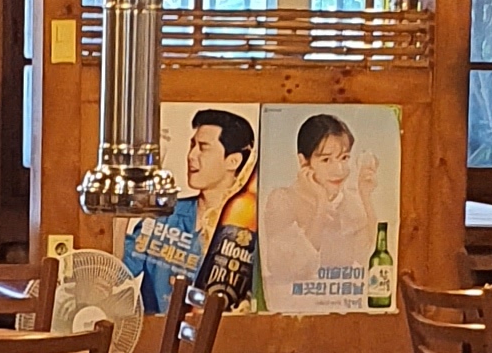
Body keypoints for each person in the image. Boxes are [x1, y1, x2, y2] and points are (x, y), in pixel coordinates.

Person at [120, 108, 256, 315]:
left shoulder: (249, 226)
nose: (191, 156)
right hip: (158, 333)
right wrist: (123, 208)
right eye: (192, 145)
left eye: (203, 148)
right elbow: (117, 274)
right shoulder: (165, 215)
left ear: (233, 161)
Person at [259, 111, 381, 308]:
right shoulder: (282, 199)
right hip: (291, 310)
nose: (339, 170)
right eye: (326, 160)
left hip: (341, 308)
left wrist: (366, 197)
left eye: (344, 158)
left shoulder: (350, 202)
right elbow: (288, 268)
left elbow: (370, 259)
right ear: (304, 162)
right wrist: (321, 205)